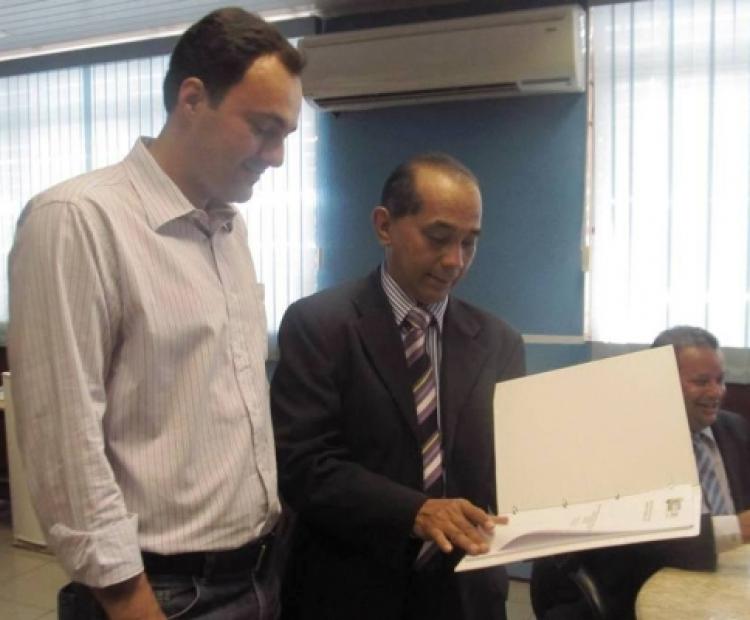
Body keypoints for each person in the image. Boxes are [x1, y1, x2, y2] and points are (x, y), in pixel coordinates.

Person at [8, 8, 303, 619]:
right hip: (163, 594)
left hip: (258, 571)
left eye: (287, 136)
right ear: (192, 99)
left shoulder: (229, 229)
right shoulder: (77, 220)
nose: (277, 156)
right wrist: (128, 600)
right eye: (263, 128)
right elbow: (65, 441)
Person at [270, 153, 526, 620]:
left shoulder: (499, 342)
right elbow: (303, 465)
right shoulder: (320, 325)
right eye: (438, 238)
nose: (455, 261)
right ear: (384, 226)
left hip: (465, 593)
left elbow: (509, 468)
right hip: (351, 588)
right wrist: (416, 512)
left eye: (469, 243)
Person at [531, 325, 750, 619]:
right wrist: (736, 529)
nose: (716, 392)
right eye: (701, 382)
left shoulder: (734, 430)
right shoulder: (622, 447)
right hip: (642, 595)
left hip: (729, 588)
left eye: (720, 380)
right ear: (661, 382)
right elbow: (641, 548)